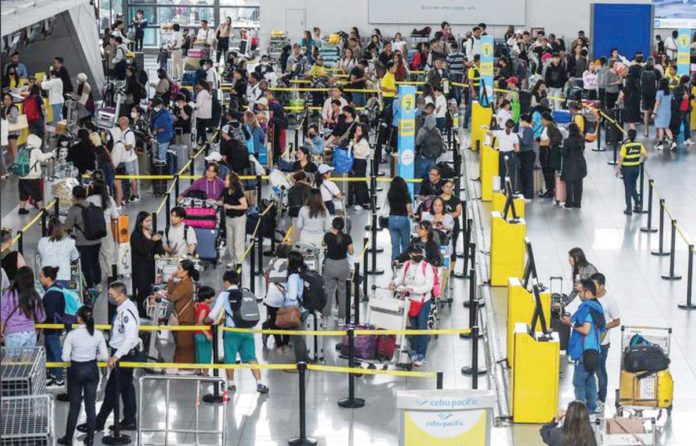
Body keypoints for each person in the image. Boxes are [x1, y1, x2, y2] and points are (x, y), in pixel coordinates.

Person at [77, 282, 140, 433]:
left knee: (112, 390)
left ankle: (98, 423)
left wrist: (116, 356)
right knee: (127, 389)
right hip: (123, 353)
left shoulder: (126, 312)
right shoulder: (125, 308)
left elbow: (130, 338)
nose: (110, 297)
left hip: (123, 355)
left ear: (122, 294)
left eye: (112, 295)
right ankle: (130, 420)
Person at [207, 270, 269, 393]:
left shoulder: (224, 295)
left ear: (226, 282)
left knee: (229, 358)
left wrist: (204, 321)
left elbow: (213, 315)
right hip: (247, 330)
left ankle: (231, 384)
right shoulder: (246, 293)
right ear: (238, 282)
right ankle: (259, 383)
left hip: (231, 332)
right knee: (252, 357)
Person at [57, 306, 108, 446]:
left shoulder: (72, 335)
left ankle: (68, 438)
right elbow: (104, 356)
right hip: (92, 369)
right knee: (90, 406)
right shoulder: (97, 334)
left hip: (76, 370)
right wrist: (94, 356)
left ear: (79, 318)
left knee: (74, 406)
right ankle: (90, 438)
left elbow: (65, 357)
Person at [561, 279, 605, 414]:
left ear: (588, 292)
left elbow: (585, 329)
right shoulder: (597, 307)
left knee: (578, 382)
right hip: (594, 352)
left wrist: (570, 324)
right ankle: (591, 407)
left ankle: (581, 411)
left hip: (584, 353)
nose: (579, 295)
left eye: (580, 292)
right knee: (590, 380)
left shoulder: (587, 309)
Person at [389, 244, 435, 367]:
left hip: (423, 301)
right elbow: (400, 278)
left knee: (421, 328)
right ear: (410, 254)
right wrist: (394, 282)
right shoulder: (407, 264)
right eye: (416, 253)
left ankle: (421, 354)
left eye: (420, 253)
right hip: (409, 301)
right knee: (413, 327)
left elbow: (428, 286)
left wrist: (413, 289)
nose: (418, 255)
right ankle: (414, 351)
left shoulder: (427, 267)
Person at [591, 273, 620, 414]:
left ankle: (601, 399)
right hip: (590, 339)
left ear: (602, 286)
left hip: (602, 342)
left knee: (600, 370)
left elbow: (617, 321)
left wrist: (603, 327)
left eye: (595, 285)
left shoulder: (609, 301)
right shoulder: (591, 297)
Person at [65, 186, 103, 290]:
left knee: (86, 265)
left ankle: (89, 286)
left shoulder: (74, 210)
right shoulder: (92, 206)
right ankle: (98, 283)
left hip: (83, 242)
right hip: (97, 240)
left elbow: (67, 226)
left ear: (74, 196)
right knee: (95, 261)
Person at [0, 267, 46, 351]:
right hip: (30, 333)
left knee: (12, 363)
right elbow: (41, 317)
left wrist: (1, 331)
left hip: (12, 333)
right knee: (27, 363)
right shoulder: (34, 295)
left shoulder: (9, 293)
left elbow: (3, 314)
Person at [38, 266, 70, 387]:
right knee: (50, 351)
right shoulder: (56, 290)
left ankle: (59, 379)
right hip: (53, 327)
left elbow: (49, 313)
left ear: (48, 278)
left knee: (55, 352)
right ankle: (52, 376)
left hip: (52, 327)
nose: (39, 279)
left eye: (41, 276)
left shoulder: (52, 294)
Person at [165, 259, 198, 368]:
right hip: (181, 316)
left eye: (179, 269)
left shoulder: (186, 284)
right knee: (179, 342)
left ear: (186, 271)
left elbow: (172, 297)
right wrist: (170, 278)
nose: (177, 271)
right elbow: (171, 292)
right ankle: (179, 364)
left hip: (186, 318)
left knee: (184, 343)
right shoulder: (182, 281)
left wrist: (162, 295)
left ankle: (185, 366)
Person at [130, 212, 164, 316]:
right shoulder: (135, 235)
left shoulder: (151, 232)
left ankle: (151, 313)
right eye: (147, 221)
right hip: (141, 269)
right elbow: (143, 250)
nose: (149, 223)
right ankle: (142, 314)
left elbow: (158, 249)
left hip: (151, 268)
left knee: (151, 291)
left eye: (150, 221)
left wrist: (158, 242)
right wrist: (152, 241)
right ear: (140, 222)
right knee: (142, 292)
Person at [322, 217, 354, 325]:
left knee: (327, 291)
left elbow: (323, 244)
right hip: (343, 266)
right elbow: (351, 252)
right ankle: (341, 318)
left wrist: (330, 232)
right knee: (343, 292)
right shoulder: (347, 237)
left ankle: (325, 318)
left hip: (330, 265)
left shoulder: (328, 236)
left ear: (333, 225)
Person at [87, 178, 120, 282]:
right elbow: (115, 216)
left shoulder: (89, 199)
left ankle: (95, 277)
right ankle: (110, 274)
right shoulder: (109, 199)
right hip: (106, 227)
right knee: (108, 251)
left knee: (94, 253)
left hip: (91, 228)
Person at [36, 217, 80, 289]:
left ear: (48, 229)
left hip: (46, 279)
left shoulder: (42, 242)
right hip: (64, 279)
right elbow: (75, 258)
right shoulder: (69, 242)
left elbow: (39, 257)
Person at [17, 135, 55, 214]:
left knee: (23, 194)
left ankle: (22, 209)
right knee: (37, 194)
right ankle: (42, 209)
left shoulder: (22, 149)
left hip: (22, 176)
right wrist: (51, 154)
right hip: (32, 177)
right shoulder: (35, 150)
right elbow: (42, 158)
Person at [220, 172, 248, 268]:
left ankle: (239, 261)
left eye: (226, 179)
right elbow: (223, 202)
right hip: (229, 218)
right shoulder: (225, 190)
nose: (224, 181)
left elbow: (244, 206)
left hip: (239, 219)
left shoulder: (238, 192)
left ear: (232, 181)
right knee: (230, 240)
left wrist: (231, 207)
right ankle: (233, 259)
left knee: (238, 241)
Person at [616, 129, 648, 215]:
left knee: (628, 188)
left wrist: (618, 169)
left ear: (628, 136)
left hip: (627, 169)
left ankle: (629, 208)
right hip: (636, 169)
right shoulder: (639, 144)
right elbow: (646, 156)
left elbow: (621, 159)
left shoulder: (625, 146)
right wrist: (641, 161)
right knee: (633, 187)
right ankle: (637, 205)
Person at [560, 123, 587, 209]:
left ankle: (568, 202)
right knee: (579, 185)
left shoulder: (567, 141)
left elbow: (564, 153)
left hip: (570, 165)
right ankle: (577, 203)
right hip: (581, 164)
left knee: (569, 184)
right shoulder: (581, 139)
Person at [387, 176, 413, 262]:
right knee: (405, 244)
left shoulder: (390, 193)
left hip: (392, 219)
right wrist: (413, 215)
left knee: (395, 246)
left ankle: (395, 268)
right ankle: (404, 265)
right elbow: (409, 208)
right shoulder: (406, 194)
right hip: (403, 219)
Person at [539, 112, 563, 198]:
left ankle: (550, 190)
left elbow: (557, 138)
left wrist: (548, 144)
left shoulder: (552, 128)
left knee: (549, 173)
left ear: (546, 119)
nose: (541, 121)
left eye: (542, 119)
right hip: (545, 153)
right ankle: (549, 189)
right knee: (547, 172)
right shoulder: (546, 127)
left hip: (548, 154)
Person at [194, 286, 215, 374]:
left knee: (198, 354)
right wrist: (207, 334)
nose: (213, 298)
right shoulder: (204, 308)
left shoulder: (198, 306)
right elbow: (200, 322)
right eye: (212, 296)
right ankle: (205, 374)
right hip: (203, 335)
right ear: (206, 298)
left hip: (197, 334)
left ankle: (198, 372)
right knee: (206, 355)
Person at [350, 123, 371, 209]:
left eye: (359, 130)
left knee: (359, 182)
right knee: (360, 181)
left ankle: (360, 202)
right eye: (356, 130)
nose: (356, 132)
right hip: (356, 160)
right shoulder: (357, 139)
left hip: (361, 161)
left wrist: (354, 143)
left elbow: (360, 152)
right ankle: (365, 200)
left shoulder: (364, 141)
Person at [653, 78, 676, 151]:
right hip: (668, 112)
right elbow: (673, 100)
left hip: (660, 112)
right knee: (666, 127)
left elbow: (657, 103)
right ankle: (672, 142)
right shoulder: (670, 92)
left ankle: (660, 144)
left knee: (660, 128)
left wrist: (654, 112)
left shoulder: (659, 92)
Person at [150, 97, 174, 162]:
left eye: (156, 106)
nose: (155, 108)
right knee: (159, 156)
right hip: (159, 138)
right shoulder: (159, 113)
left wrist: (156, 130)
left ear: (160, 105)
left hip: (164, 138)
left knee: (162, 157)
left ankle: (163, 171)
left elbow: (168, 129)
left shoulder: (166, 115)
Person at [2, 93, 20, 164]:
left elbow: (15, 119)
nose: (6, 101)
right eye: (5, 99)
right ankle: (13, 164)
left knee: (14, 150)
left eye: (8, 99)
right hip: (8, 132)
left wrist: (6, 118)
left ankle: (17, 165)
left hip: (13, 132)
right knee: (9, 150)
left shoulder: (14, 108)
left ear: (11, 100)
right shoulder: (4, 108)